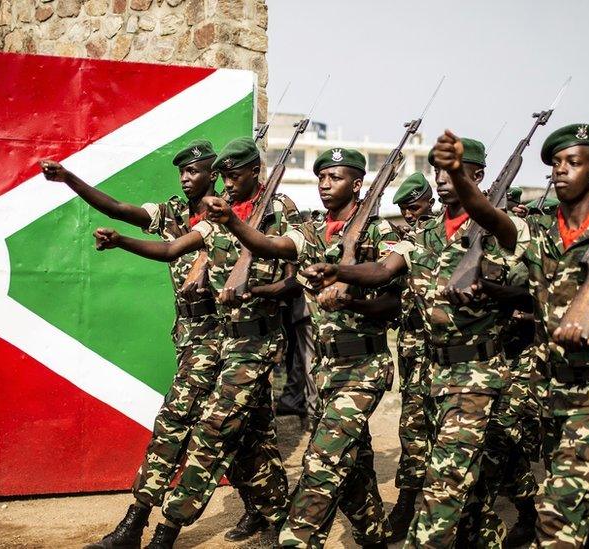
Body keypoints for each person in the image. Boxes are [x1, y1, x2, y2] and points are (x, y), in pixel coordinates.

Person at [431, 124, 589, 546]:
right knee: (573, 514)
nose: (561, 170)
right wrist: (459, 173)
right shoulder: (538, 232)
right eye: (555, 163)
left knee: (555, 520)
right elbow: (487, 213)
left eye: (574, 162)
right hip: (551, 392)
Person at [302, 138, 519, 547]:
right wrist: (339, 271)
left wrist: (488, 287)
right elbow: (382, 271)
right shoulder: (423, 234)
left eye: (453, 170)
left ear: (479, 177)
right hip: (431, 371)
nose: (441, 178)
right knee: (454, 477)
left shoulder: (504, 228)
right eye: (438, 170)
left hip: (477, 374)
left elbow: (530, 294)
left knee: (445, 486)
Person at [40, 142, 254, 548]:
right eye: (182, 172)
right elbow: (122, 210)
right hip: (192, 335)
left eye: (195, 171)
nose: (186, 178)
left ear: (215, 174)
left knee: (189, 425)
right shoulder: (173, 212)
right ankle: (268, 509)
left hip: (228, 335)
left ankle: (145, 526)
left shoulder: (232, 214)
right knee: (246, 434)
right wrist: (69, 179)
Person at [92, 136, 297, 548]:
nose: (225, 183)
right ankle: (141, 520)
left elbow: (293, 278)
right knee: (234, 433)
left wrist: (258, 291)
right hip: (217, 342)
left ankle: (166, 531)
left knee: (214, 432)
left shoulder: (281, 211)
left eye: (232, 175)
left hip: (257, 345)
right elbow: (171, 249)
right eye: (221, 176)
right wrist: (121, 243)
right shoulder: (215, 215)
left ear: (255, 172)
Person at [204, 147, 399, 548]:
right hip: (326, 370)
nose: (325, 185)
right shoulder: (309, 232)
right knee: (355, 463)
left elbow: (393, 300)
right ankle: (376, 535)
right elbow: (270, 245)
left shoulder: (382, 233)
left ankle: (296, 540)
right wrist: (234, 222)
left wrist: (352, 299)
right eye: (322, 178)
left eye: (336, 178)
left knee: (321, 463)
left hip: (363, 366)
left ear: (358, 184)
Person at [386, 171, 436, 541]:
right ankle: (407, 500)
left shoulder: (444, 236)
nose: (410, 213)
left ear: (429, 202)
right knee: (414, 427)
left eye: (414, 205)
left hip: (450, 354)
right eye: (404, 208)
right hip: (413, 349)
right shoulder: (405, 240)